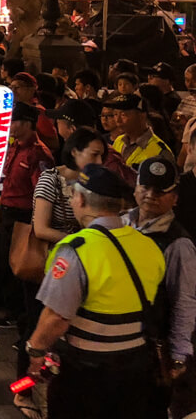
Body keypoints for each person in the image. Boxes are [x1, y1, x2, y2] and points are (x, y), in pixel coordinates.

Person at [24, 165, 165, 419]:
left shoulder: (76, 250)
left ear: (79, 199)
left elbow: (56, 316)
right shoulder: (149, 247)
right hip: (136, 368)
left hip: (87, 373)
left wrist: (35, 351)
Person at [122, 156, 196, 417]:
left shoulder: (178, 244)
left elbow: (184, 301)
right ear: (135, 187)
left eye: (161, 191)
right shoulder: (120, 225)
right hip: (116, 342)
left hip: (150, 347)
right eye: (146, 187)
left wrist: (178, 355)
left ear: (174, 198)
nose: (150, 195)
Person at [0, 102, 53, 329]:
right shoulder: (15, 147)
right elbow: (8, 183)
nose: (10, 126)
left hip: (24, 217)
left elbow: (42, 193)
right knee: (4, 262)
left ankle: (18, 316)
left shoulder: (39, 153)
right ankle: (5, 305)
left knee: (20, 269)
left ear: (26, 123)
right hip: (7, 210)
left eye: (13, 121)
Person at [107, 93, 174, 169]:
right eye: (115, 114)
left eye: (123, 115)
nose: (118, 120)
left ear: (142, 116)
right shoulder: (119, 141)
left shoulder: (160, 151)